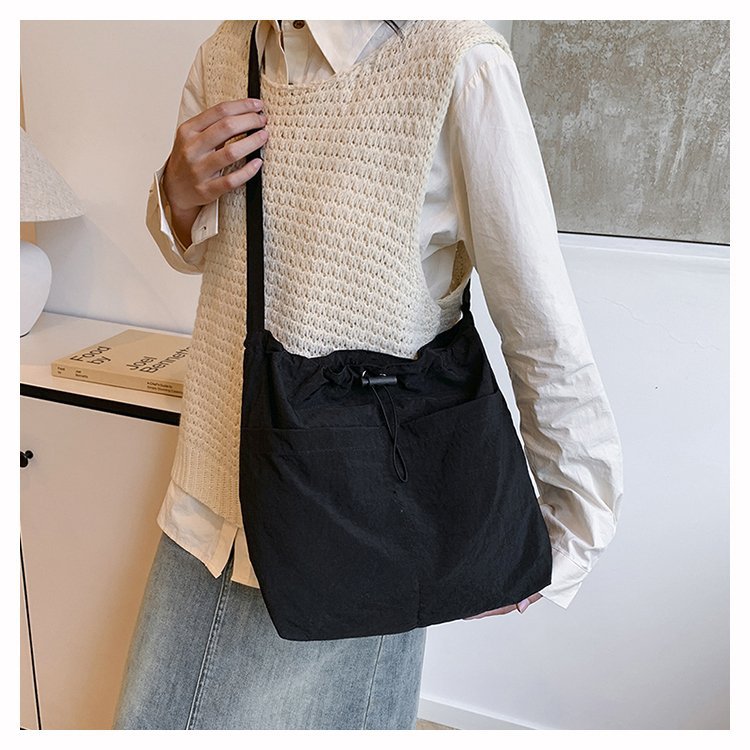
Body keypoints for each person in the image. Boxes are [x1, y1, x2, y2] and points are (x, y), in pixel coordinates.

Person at [113, 20, 624, 730]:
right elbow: (202, 253)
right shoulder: (226, 52)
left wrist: (567, 534)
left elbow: (536, 315)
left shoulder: (457, 62)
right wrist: (175, 190)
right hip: (205, 503)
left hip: (359, 520)